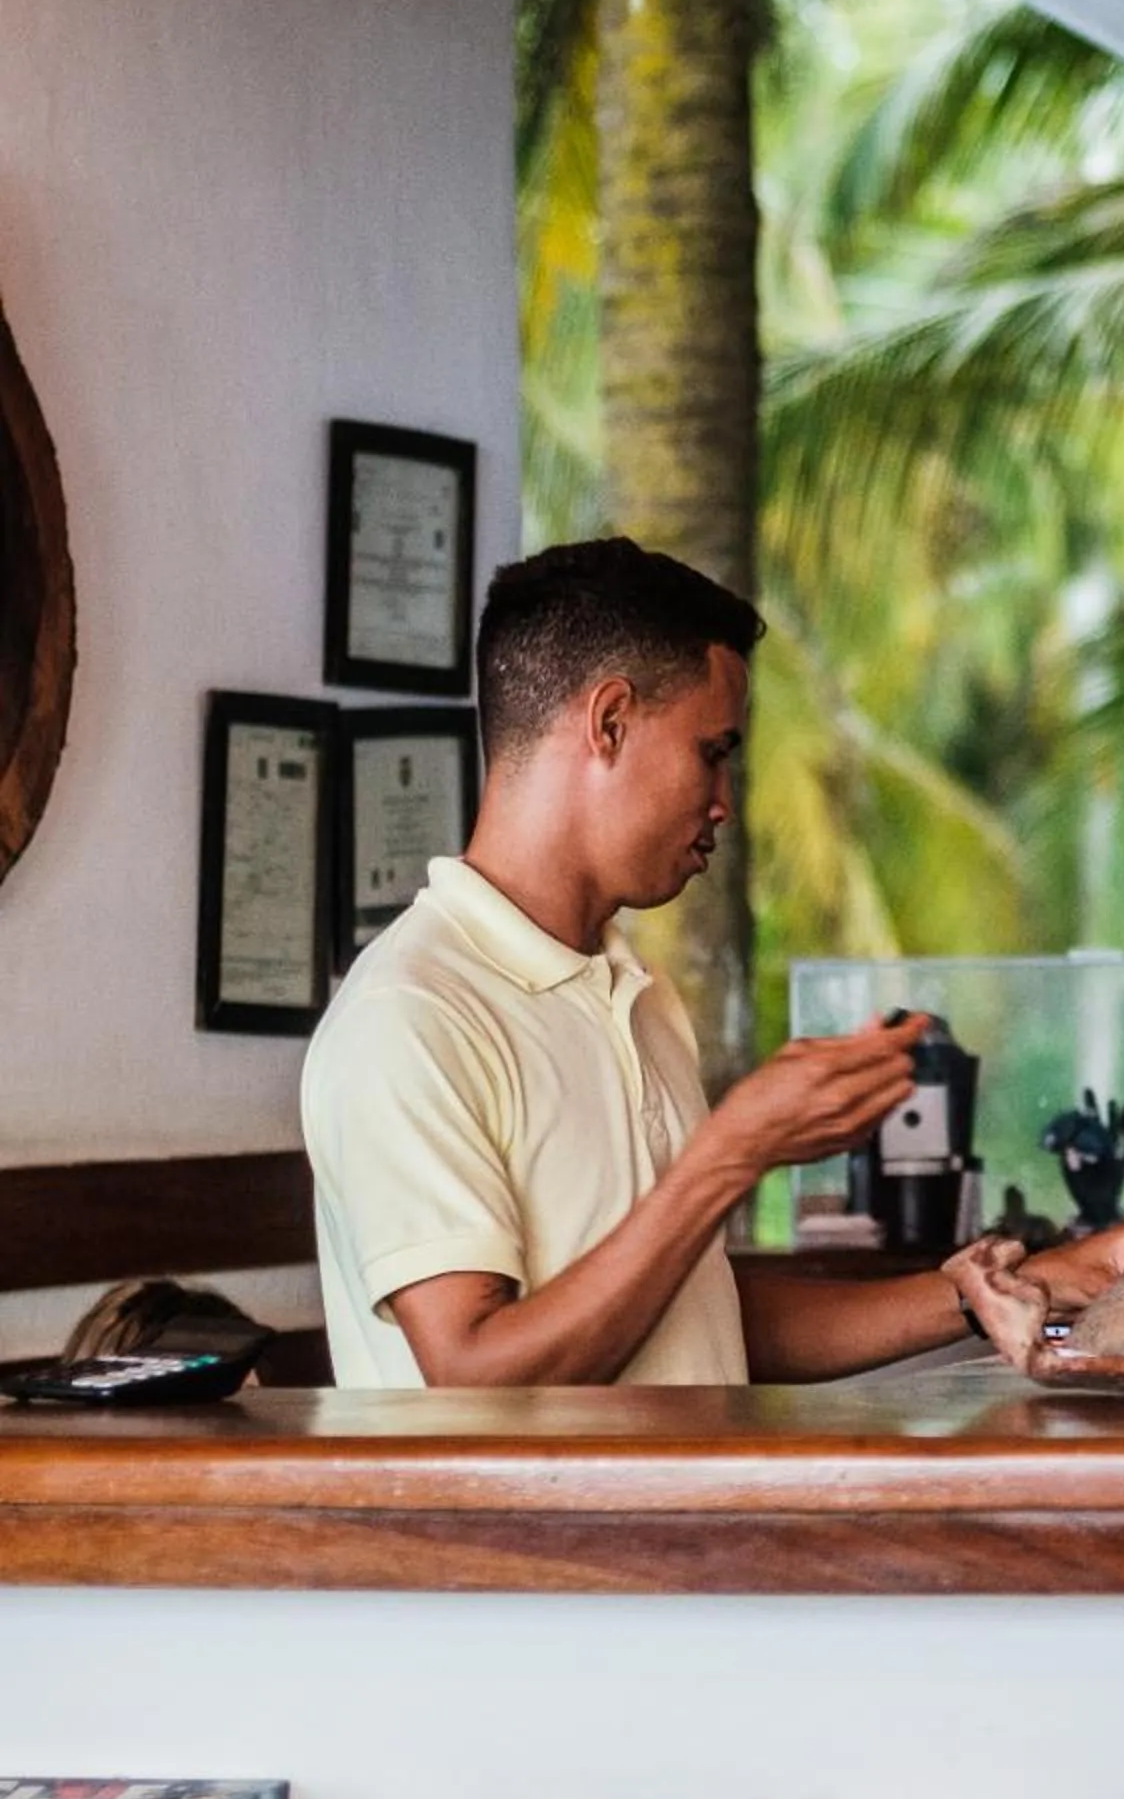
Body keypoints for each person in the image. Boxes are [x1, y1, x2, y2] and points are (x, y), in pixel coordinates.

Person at [303, 537, 1065, 1387]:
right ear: (611, 721)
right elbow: (478, 1377)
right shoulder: (411, 1015)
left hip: (701, 1524)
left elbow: (696, 1317)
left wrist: (991, 1291)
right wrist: (730, 1154)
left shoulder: (637, 994)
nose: (724, 805)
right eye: (714, 751)